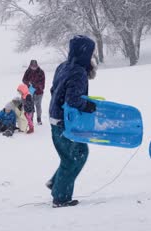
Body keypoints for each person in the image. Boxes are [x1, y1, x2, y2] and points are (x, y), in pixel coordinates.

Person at [46, 35, 97, 208]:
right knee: (76, 156)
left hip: (55, 118)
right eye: (91, 53)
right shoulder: (79, 72)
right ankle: (61, 198)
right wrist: (87, 106)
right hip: (65, 122)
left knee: (69, 155)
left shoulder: (63, 66)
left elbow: (54, 90)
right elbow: (73, 100)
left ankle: (56, 183)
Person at [22, 59, 46, 125]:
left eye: (35, 66)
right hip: (30, 92)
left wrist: (37, 86)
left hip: (39, 92)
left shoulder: (41, 72)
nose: (34, 67)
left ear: (37, 65)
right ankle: (30, 119)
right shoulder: (28, 71)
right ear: (30, 66)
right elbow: (24, 80)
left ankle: (39, 119)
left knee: (38, 105)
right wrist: (28, 84)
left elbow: (43, 83)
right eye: (32, 66)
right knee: (30, 106)